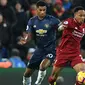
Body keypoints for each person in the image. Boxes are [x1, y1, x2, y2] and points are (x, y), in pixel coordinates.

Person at [18, 1, 60, 85]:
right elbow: (29, 35)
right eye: (40, 10)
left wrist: (62, 28)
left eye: (44, 10)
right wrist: (26, 39)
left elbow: (61, 27)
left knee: (42, 66)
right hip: (39, 50)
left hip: (50, 50)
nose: (42, 12)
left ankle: (38, 83)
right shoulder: (32, 21)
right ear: (36, 10)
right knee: (27, 74)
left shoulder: (52, 20)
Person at [48, 6, 85, 85]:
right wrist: (60, 28)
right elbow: (61, 26)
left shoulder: (83, 26)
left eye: (84, 16)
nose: (83, 17)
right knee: (53, 78)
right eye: (80, 15)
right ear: (75, 15)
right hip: (63, 53)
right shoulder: (69, 22)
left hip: (75, 54)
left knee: (83, 75)